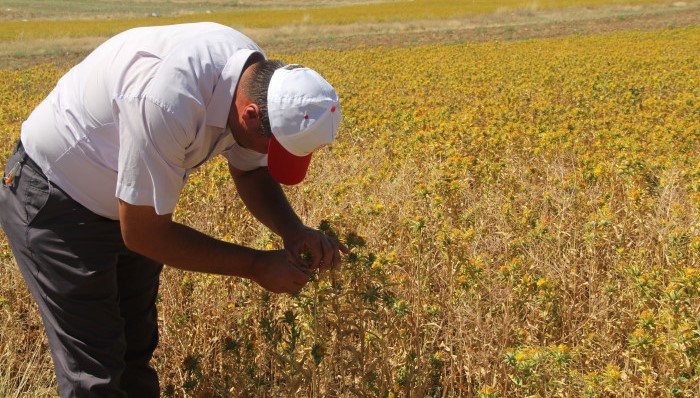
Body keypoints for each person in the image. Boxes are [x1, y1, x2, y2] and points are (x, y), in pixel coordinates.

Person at [0, 22, 347, 397]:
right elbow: (146, 234)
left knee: (135, 350)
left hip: (127, 202)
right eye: (272, 147)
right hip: (57, 199)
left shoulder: (254, 82)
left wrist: (293, 231)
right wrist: (256, 265)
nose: (266, 156)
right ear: (249, 115)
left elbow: (250, 171)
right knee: (96, 373)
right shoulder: (166, 99)